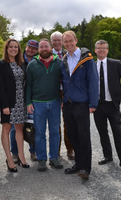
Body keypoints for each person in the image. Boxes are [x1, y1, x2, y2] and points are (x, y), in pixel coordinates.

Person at [61, 31, 98, 180]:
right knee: (72, 135)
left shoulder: (87, 59)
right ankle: (78, 163)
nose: (68, 44)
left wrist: (93, 103)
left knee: (84, 136)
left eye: (71, 41)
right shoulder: (64, 59)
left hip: (82, 104)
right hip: (68, 105)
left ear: (76, 40)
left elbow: (93, 81)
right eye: (66, 42)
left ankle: (86, 168)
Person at [26, 38, 63, 172]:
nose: (43, 49)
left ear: (51, 48)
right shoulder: (32, 65)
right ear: (38, 50)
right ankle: (42, 159)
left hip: (55, 102)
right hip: (38, 104)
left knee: (54, 132)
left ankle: (54, 158)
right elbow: (28, 85)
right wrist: (28, 102)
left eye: (46, 46)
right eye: (41, 47)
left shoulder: (59, 63)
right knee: (40, 133)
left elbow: (65, 83)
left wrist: (64, 100)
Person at [94, 40, 121, 171]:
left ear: (107, 50)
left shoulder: (115, 64)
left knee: (117, 133)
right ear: (95, 50)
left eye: (104, 48)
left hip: (113, 106)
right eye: (99, 48)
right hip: (98, 106)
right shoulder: (92, 66)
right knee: (102, 133)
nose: (101, 50)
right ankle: (107, 156)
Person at [0, 38, 29, 172]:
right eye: (11, 47)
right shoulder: (0, 65)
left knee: (19, 128)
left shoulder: (22, 64)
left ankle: (21, 156)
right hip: (8, 103)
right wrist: (4, 106)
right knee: (7, 129)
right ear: (6, 49)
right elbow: (0, 86)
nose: (13, 49)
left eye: (16, 47)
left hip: (21, 102)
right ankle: (9, 159)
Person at [10, 39, 38, 162]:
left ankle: (33, 151)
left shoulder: (38, 61)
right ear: (25, 47)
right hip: (17, 98)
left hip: (32, 98)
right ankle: (15, 153)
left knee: (32, 125)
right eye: (29, 47)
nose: (31, 50)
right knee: (15, 127)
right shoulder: (17, 59)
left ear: (36, 50)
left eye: (34, 48)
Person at [50, 31, 75, 161]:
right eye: (54, 40)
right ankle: (56, 150)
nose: (57, 42)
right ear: (51, 42)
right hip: (54, 92)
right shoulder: (48, 55)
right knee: (55, 123)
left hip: (67, 92)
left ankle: (70, 149)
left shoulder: (69, 54)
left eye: (59, 40)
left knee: (68, 122)